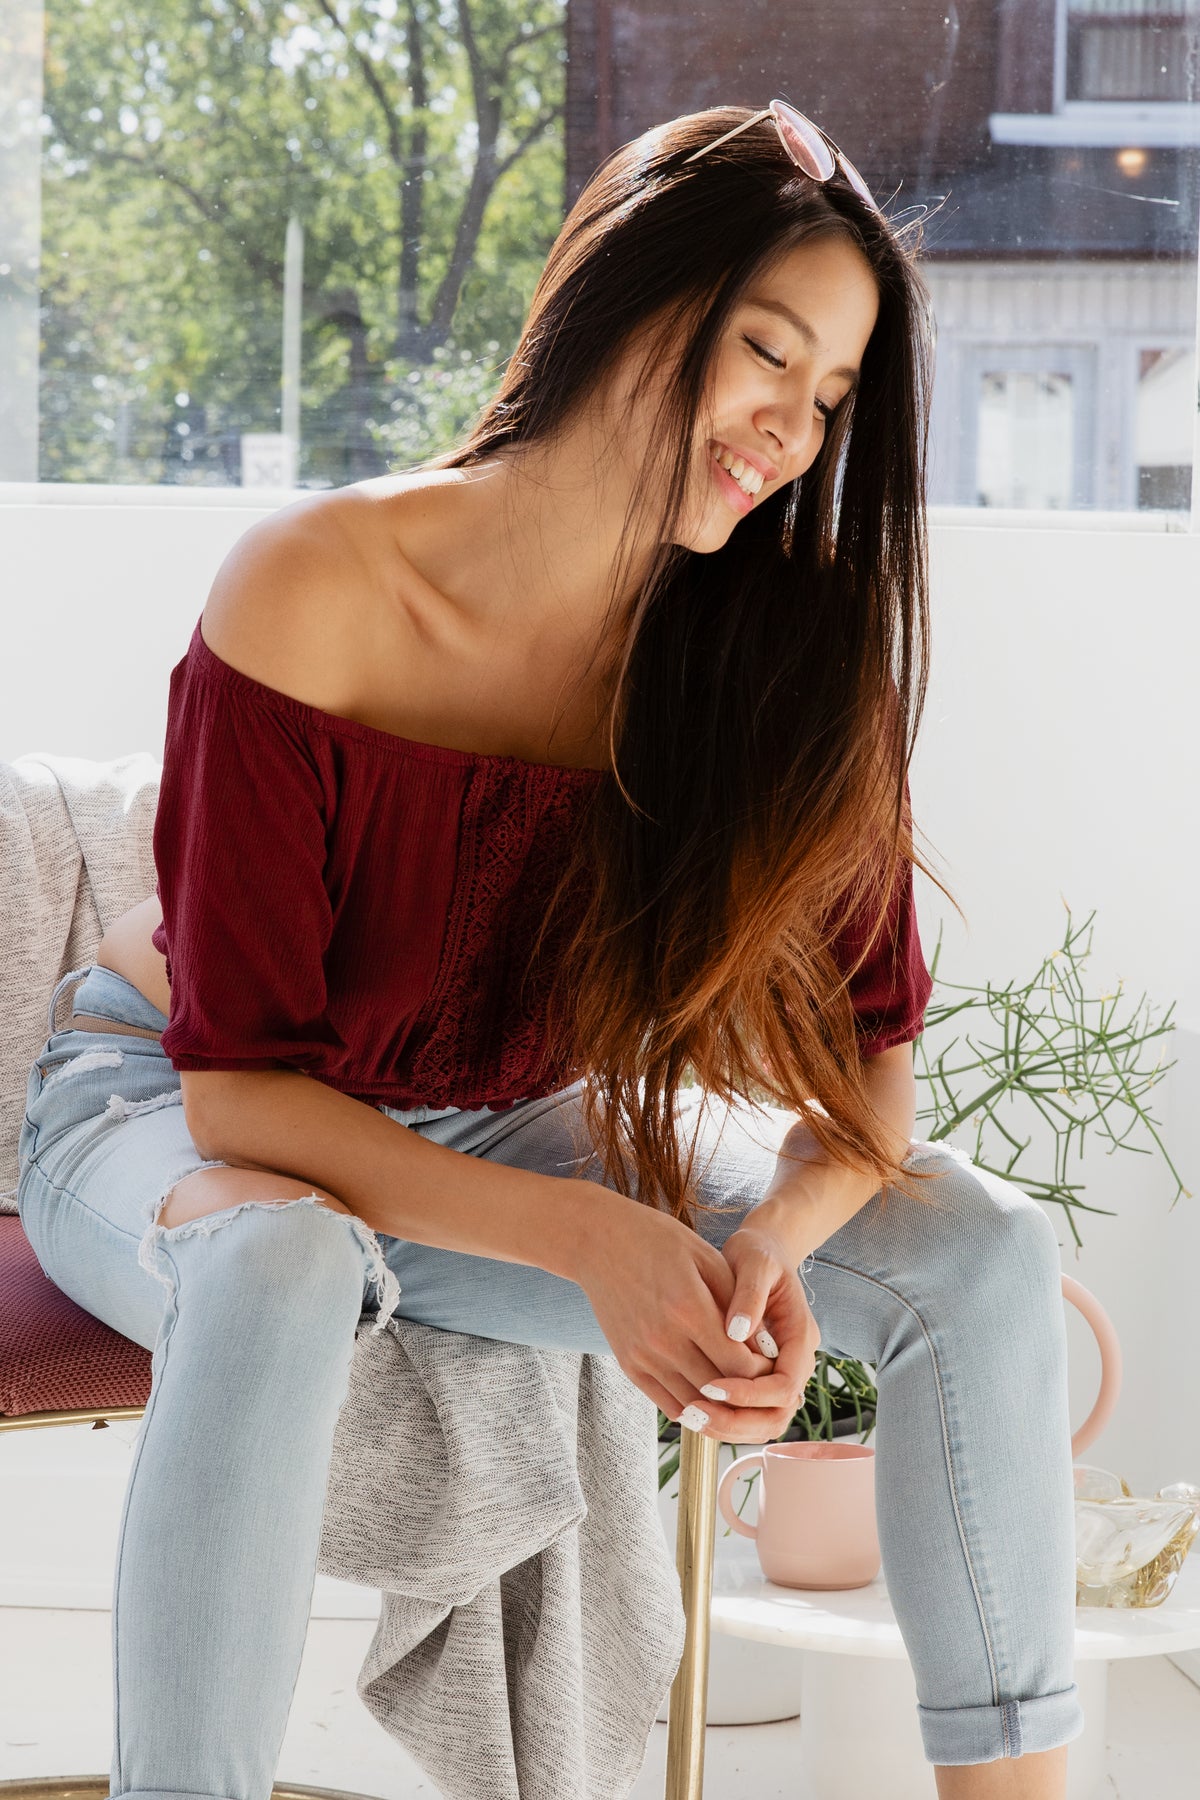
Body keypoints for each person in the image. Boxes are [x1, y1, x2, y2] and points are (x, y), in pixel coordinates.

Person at [18, 103, 1082, 1799]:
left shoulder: (780, 659)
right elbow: (240, 1096)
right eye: (764, 355)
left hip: (495, 1118)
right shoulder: (322, 583)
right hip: (170, 1107)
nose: (790, 431)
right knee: (284, 1260)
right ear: (629, 299)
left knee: (983, 1251)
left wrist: (764, 1255)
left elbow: (876, 1056)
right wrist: (588, 1234)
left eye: (829, 400)